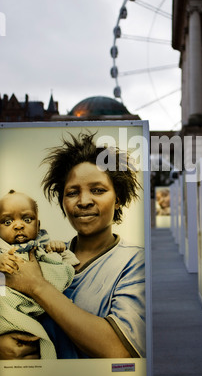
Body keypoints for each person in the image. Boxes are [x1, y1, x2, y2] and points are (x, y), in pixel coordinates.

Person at [0, 132, 145, 360]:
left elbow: (119, 351)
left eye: (98, 190)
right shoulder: (45, 255)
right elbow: (3, 293)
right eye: (72, 192)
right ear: (63, 203)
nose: (84, 201)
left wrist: (37, 286)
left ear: (118, 199)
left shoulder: (135, 262)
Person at [0, 190, 78, 359]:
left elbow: (69, 263)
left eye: (27, 219)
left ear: (38, 225)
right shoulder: (2, 249)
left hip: (40, 310)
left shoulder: (41, 246)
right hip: (8, 310)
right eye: (7, 222)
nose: (19, 225)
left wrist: (58, 250)